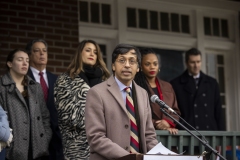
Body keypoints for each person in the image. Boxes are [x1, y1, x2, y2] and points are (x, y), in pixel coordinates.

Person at [85, 44, 158, 160]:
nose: (127, 65)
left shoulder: (143, 93)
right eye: (122, 60)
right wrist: (128, 157)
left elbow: (149, 135)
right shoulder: (96, 93)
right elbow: (96, 137)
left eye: (132, 61)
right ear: (113, 66)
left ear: (138, 68)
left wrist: (161, 154)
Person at [54, 39, 110, 160]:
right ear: (80, 53)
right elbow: (68, 115)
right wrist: (102, 120)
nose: (92, 54)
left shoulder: (106, 81)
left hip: (104, 146)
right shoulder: (65, 80)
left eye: (95, 52)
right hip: (77, 147)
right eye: (88, 50)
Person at [0, 49, 52, 160]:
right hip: (12, 152)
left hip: (38, 151)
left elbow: (45, 116)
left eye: (27, 61)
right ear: (10, 64)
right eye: (20, 60)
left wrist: (44, 139)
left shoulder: (35, 87)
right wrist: (8, 142)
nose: (25, 63)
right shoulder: (2, 87)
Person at [25, 39, 64, 160]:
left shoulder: (57, 79)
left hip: (55, 143)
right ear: (29, 55)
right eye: (37, 51)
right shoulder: (23, 78)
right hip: (31, 140)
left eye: (44, 51)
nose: (42, 54)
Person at [170, 48, 223, 131]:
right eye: (192, 62)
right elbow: (174, 113)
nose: (196, 65)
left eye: (198, 62)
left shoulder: (212, 83)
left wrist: (221, 136)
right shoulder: (176, 84)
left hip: (210, 133)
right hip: (188, 133)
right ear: (186, 63)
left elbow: (218, 112)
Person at [134, 48, 180, 135]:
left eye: (155, 64)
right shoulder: (136, 87)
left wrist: (167, 123)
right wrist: (156, 123)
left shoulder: (167, 86)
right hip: (147, 136)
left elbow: (175, 112)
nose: (152, 67)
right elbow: (135, 115)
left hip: (168, 137)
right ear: (140, 67)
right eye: (147, 64)